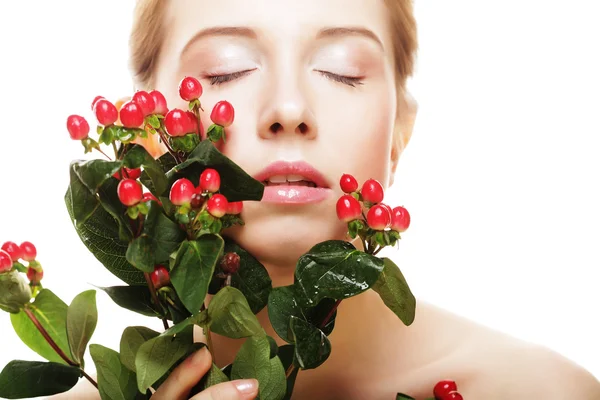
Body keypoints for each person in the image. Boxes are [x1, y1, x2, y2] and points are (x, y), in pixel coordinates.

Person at [53, 0, 600, 399]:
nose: (289, 107)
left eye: (342, 70)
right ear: (147, 129)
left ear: (399, 134)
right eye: (226, 69)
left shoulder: (538, 391)